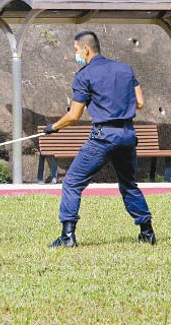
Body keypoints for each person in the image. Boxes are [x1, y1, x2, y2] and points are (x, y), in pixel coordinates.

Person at [43, 31, 156, 248]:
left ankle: (67, 237)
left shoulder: (84, 75)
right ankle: (147, 232)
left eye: (76, 49)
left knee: (72, 183)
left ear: (86, 49)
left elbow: (74, 115)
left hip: (103, 137)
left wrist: (53, 127)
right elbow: (140, 103)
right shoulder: (125, 69)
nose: (75, 54)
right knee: (128, 184)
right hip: (127, 135)